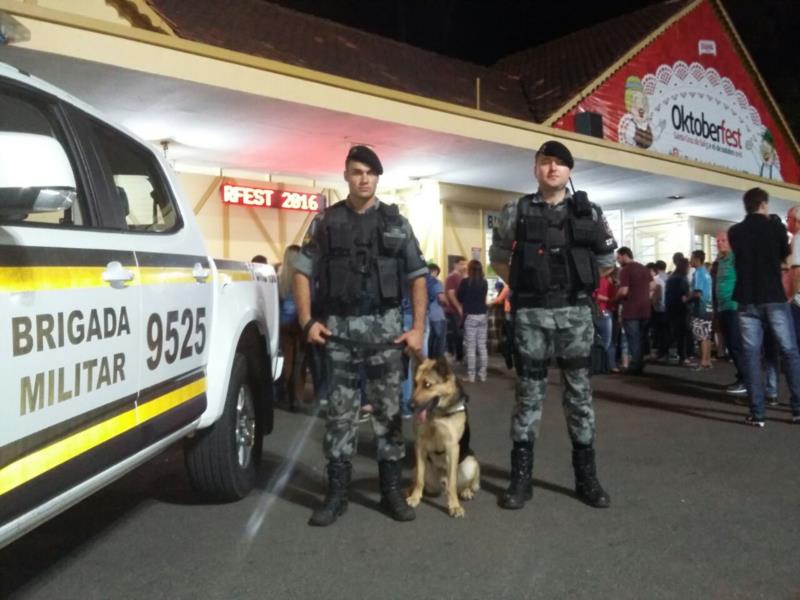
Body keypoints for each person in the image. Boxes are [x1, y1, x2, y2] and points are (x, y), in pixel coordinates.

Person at [293, 145, 428, 525]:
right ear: (346, 176)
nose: (363, 178)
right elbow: (301, 272)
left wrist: (417, 329)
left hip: (385, 334)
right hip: (338, 333)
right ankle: (336, 494)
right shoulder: (325, 222)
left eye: (370, 172)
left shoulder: (396, 224)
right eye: (356, 171)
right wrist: (307, 320)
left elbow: (418, 277)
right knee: (339, 414)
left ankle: (390, 492)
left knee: (387, 413)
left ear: (378, 177)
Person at [490, 140, 616, 510]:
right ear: (536, 168)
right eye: (546, 162)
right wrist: (525, 283)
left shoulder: (588, 212)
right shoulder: (516, 210)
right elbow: (498, 257)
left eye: (560, 163)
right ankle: (520, 479)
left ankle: (586, 478)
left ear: (570, 171)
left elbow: (606, 260)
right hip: (531, 316)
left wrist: (578, 282)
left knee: (579, 395)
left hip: (575, 315)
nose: (553, 169)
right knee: (528, 395)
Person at [727, 187, 800, 427]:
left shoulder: (735, 232)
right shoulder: (776, 229)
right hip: (774, 296)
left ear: (746, 205)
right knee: (789, 351)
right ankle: (797, 409)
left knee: (751, 354)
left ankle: (757, 413)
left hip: (746, 298)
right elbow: (786, 260)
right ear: (764, 204)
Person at [714, 231, 746, 395]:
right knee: (731, 346)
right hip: (723, 307)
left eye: (723, 240)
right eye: (718, 240)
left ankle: (745, 379)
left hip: (734, 307)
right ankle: (742, 376)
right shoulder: (720, 260)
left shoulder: (735, 258)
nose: (719, 243)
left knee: (736, 345)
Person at [277, 245, 306, 409]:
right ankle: (297, 398)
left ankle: (283, 394)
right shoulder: (302, 278)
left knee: (287, 359)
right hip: (299, 324)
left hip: (283, 324)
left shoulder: (280, 278)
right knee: (300, 362)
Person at [615, 247, 651, 374]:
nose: (618, 261)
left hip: (631, 310)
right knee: (642, 337)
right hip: (645, 309)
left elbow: (623, 290)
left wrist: (614, 299)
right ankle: (640, 362)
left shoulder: (625, 270)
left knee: (633, 339)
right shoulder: (644, 268)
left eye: (618, 257)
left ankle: (636, 365)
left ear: (624, 255)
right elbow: (653, 286)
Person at [457, 259, 489, 382]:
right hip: (483, 315)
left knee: (471, 347)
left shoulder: (465, 282)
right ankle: (483, 374)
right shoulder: (484, 283)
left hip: (470, 316)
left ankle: (471, 375)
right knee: (482, 346)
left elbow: (459, 297)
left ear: (469, 269)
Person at [689, 250, 713, 369]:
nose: (690, 260)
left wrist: (687, 298)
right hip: (709, 307)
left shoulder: (698, 273)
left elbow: (697, 293)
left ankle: (703, 361)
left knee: (701, 336)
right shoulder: (706, 272)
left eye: (692, 258)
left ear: (697, 259)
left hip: (700, 307)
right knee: (707, 335)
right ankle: (707, 360)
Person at [665, 258, 690, 364]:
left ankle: (670, 353)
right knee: (682, 334)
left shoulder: (671, 278)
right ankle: (682, 356)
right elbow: (685, 294)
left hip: (671, 307)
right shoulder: (682, 279)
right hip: (681, 308)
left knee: (672, 332)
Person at [593, 270, 618, 373]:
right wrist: (609, 299)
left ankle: (604, 365)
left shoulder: (601, 281)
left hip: (600, 311)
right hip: (604, 311)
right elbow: (596, 295)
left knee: (603, 340)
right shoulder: (604, 281)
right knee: (607, 341)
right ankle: (605, 365)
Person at [444, 257, 467, 360]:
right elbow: (451, 294)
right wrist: (459, 308)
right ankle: (457, 355)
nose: (464, 266)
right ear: (455, 265)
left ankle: (459, 355)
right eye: (461, 264)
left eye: (465, 264)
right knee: (457, 333)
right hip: (453, 311)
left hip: (460, 310)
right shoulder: (452, 277)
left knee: (460, 333)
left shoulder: (462, 277)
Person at [426, 263, 447, 358]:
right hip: (437, 315)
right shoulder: (436, 282)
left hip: (427, 316)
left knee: (430, 340)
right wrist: (446, 303)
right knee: (440, 341)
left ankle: (429, 360)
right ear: (435, 271)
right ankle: (438, 362)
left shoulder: (422, 281)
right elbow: (441, 298)